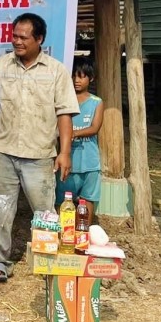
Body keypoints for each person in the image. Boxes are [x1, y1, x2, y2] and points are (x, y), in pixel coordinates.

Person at [0, 12, 78, 283]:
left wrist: (64, 152)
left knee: (44, 213)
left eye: (23, 37)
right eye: (14, 36)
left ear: (39, 39)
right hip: (4, 153)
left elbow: (65, 113)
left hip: (40, 155)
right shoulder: (2, 65)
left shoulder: (55, 70)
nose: (16, 41)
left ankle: (49, 261)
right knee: (0, 210)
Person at [60, 57, 103, 225]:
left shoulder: (96, 102)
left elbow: (94, 128)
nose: (77, 80)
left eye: (82, 76)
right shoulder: (63, 101)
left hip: (90, 161)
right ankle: (63, 233)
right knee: (62, 199)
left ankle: (84, 232)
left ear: (91, 78)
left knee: (88, 199)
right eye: (74, 76)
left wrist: (72, 134)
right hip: (68, 161)